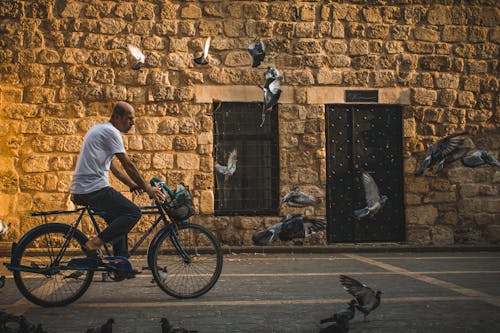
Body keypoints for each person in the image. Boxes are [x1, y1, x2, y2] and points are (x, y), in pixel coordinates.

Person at [70, 101, 165, 260]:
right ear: (116, 117)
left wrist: (132, 185)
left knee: (118, 220)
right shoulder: (111, 132)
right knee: (133, 212)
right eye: (129, 118)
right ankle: (93, 244)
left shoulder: (101, 130)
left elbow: (113, 166)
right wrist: (148, 188)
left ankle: (121, 265)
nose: (132, 122)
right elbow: (127, 164)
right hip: (93, 189)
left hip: (86, 188)